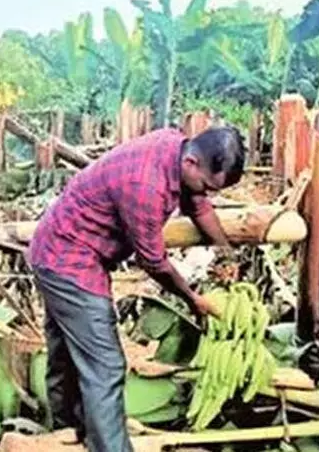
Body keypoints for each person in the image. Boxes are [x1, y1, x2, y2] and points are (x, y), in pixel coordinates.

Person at [27, 126, 246, 452]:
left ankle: (68, 431)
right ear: (191, 163)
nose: (207, 193)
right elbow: (154, 262)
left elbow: (197, 204)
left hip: (57, 250)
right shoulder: (145, 186)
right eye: (207, 185)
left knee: (68, 354)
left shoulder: (176, 147)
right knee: (105, 365)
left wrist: (225, 250)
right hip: (71, 260)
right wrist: (193, 299)